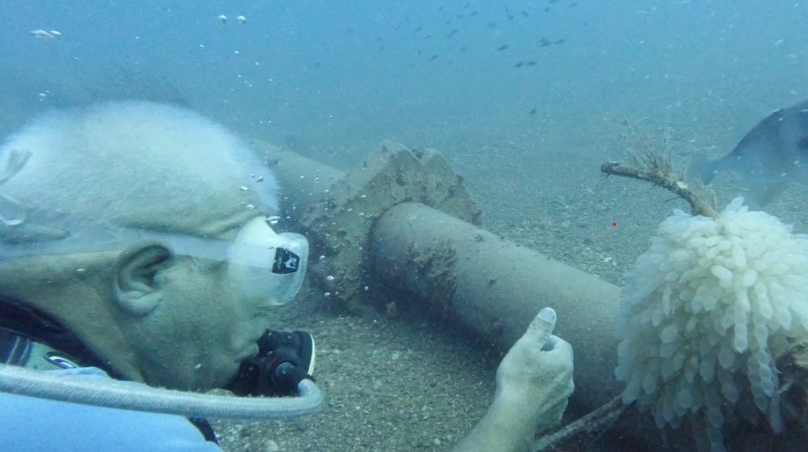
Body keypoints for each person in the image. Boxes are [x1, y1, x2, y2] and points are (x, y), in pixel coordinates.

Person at [0, 101, 574, 451]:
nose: (275, 309)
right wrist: (516, 412)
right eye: (257, 272)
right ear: (145, 277)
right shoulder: (107, 432)